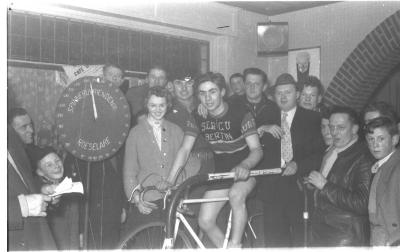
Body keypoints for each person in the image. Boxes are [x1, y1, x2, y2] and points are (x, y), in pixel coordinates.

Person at [164, 72, 263, 248]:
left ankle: (235, 244)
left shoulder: (240, 113)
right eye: (202, 93)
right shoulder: (198, 115)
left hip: (247, 171)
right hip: (222, 173)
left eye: (212, 92)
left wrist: (245, 164)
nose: (207, 98)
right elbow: (185, 149)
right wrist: (171, 181)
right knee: (205, 221)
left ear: (223, 92)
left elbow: (257, 150)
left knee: (236, 195)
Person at [264, 73, 324, 247]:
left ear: (297, 94)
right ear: (274, 96)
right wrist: (262, 128)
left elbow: (317, 154)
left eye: (288, 92)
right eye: (279, 93)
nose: (283, 97)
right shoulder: (265, 116)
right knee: (274, 241)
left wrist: (298, 165)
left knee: (301, 238)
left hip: (299, 187)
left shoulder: (311, 118)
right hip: (272, 188)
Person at [122, 86, 186, 233]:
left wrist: (181, 196)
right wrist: (137, 199)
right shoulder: (135, 133)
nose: (158, 109)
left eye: (162, 105)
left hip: (172, 199)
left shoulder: (176, 130)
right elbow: (129, 171)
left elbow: (183, 166)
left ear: (167, 105)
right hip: (147, 200)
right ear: (147, 105)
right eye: (153, 105)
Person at [306, 106, 373, 246]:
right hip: (322, 231)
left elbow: (361, 203)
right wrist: (315, 186)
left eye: (341, 127)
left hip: (345, 236)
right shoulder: (333, 151)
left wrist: (324, 185)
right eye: (331, 127)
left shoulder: (364, 156)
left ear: (354, 129)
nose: (334, 132)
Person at [7, 126, 57, 250]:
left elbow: (21, 181)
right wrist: (21, 206)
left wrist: (41, 191)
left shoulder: (9, 133)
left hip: (39, 238)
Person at [27, 146, 80, 250]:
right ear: (40, 172)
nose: (56, 166)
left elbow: (74, 225)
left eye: (57, 160)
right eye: (49, 165)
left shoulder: (68, 185)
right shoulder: (38, 191)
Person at [365, 117, 400, 246]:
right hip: (378, 237)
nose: (375, 145)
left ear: (395, 139)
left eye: (381, 139)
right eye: (371, 139)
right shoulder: (380, 165)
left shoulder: (397, 166)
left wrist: (393, 239)